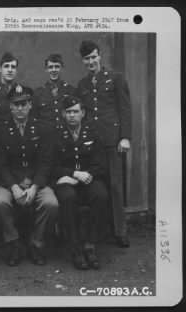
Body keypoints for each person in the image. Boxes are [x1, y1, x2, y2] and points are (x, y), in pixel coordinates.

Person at [0, 85, 59, 267]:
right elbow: (1, 164)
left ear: (30, 105)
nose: (20, 108)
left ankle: (36, 244)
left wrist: (35, 187)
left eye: (24, 104)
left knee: (51, 204)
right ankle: (14, 243)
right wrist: (13, 186)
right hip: (10, 183)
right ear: (10, 107)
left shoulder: (42, 128)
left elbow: (46, 162)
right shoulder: (1, 130)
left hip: (36, 182)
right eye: (16, 104)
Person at [77, 40, 132, 248]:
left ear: (100, 56)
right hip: (93, 146)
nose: (91, 61)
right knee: (98, 188)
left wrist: (125, 137)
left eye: (93, 56)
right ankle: (100, 230)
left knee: (116, 187)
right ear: (83, 61)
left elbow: (125, 108)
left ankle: (120, 232)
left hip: (113, 141)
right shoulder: (82, 85)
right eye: (87, 58)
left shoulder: (115, 78)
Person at [51, 96, 108, 270]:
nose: (72, 115)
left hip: (89, 178)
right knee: (67, 197)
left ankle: (90, 245)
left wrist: (84, 175)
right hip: (66, 180)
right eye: (68, 112)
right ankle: (75, 247)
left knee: (101, 195)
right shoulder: (56, 134)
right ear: (63, 114)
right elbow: (52, 165)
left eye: (75, 111)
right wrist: (74, 174)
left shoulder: (93, 133)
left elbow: (101, 164)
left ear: (83, 113)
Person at [33, 53, 76, 130]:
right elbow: (35, 119)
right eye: (50, 67)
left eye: (57, 67)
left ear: (62, 68)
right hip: (46, 138)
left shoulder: (71, 91)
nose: (53, 70)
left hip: (67, 137)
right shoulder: (38, 93)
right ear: (46, 69)